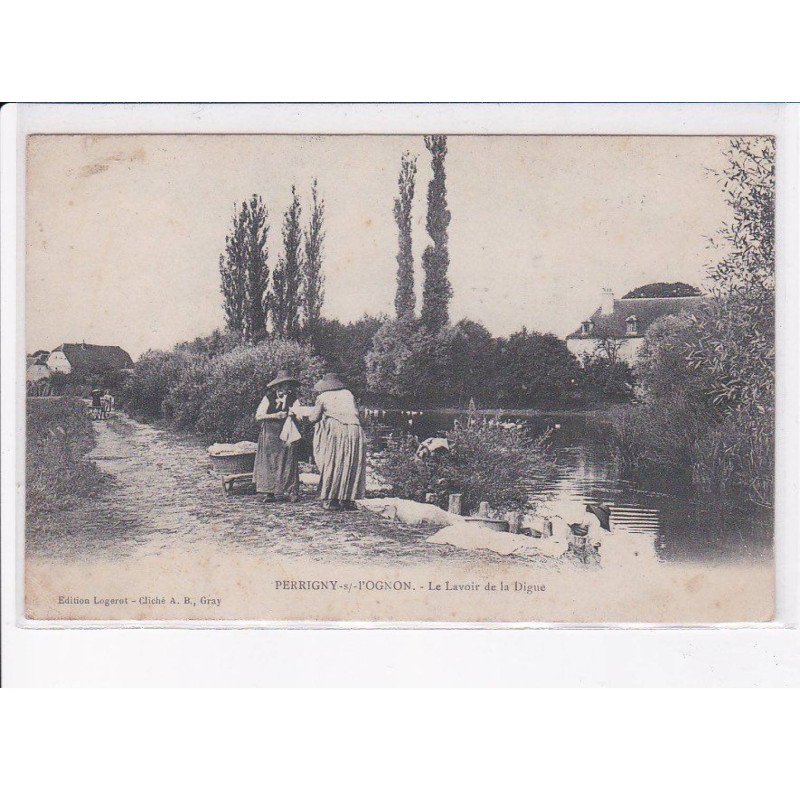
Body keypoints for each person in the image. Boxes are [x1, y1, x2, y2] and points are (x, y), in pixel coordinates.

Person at [298, 372, 366, 511]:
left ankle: (331, 499)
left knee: (333, 461)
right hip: (355, 429)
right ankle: (347, 499)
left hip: (337, 429)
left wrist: (301, 417)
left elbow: (314, 418)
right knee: (350, 462)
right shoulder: (348, 394)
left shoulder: (322, 397)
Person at [254, 371, 301, 503]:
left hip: (287, 432)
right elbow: (259, 416)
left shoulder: (293, 398)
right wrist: (274, 416)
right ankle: (270, 492)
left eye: (288, 385)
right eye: (283, 385)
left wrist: (295, 414)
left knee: (289, 460)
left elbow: (299, 414)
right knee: (269, 461)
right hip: (270, 433)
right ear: (277, 387)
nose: (286, 388)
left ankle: (292, 491)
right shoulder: (268, 397)